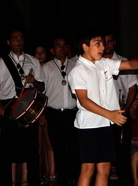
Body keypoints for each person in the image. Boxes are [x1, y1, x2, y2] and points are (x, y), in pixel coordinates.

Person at [68, 31, 138, 186]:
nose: (102, 47)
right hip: (88, 125)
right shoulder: (78, 70)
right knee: (88, 168)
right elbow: (83, 101)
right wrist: (110, 114)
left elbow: (129, 64)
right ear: (85, 47)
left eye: (103, 43)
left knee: (105, 167)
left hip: (106, 124)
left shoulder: (104, 63)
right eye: (97, 43)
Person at [0, 30, 45, 186]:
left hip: (28, 106)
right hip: (8, 106)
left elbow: (42, 86)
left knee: (31, 150)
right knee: (7, 150)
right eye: (15, 38)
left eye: (21, 38)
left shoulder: (33, 60)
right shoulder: (2, 61)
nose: (18, 41)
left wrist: (34, 81)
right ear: (8, 42)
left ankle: (32, 181)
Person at [103, 32, 138, 186]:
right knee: (104, 153)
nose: (107, 45)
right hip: (103, 114)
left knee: (122, 152)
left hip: (121, 112)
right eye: (104, 42)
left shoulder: (124, 61)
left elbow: (132, 88)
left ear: (114, 43)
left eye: (110, 41)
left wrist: (127, 107)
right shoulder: (96, 63)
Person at [42, 36, 80, 186]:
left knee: (74, 148)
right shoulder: (46, 67)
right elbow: (41, 92)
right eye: (58, 46)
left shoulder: (76, 65)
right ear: (52, 50)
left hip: (73, 112)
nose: (61, 48)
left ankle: (75, 179)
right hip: (54, 113)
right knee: (58, 149)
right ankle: (63, 179)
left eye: (64, 46)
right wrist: (42, 113)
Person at [34, 45, 56, 185]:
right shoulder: (33, 69)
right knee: (37, 146)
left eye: (42, 52)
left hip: (47, 109)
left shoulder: (49, 68)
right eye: (36, 53)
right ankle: (39, 174)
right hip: (34, 111)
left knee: (49, 144)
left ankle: (52, 174)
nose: (39, 55)